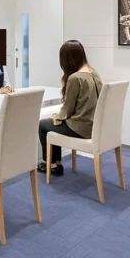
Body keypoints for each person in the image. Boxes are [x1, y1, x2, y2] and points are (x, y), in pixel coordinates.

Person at [38, 40, 102, 176]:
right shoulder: (93, 73)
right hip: (95, 126)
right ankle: (56, 163)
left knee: (43, 125)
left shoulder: (75, 78)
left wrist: (57, 116)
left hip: (81, 128)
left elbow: (67, 110)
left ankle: (52, 164)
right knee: (54, 123)